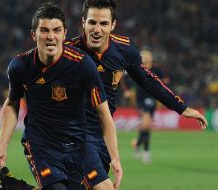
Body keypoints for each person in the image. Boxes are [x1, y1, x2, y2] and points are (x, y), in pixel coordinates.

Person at [65, 0, 208, 189]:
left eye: (103, 23)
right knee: (104, 187)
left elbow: (148, 80)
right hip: (74, 133)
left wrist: (181, 108)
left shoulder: (124, 49)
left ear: (113, 25)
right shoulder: (66, 51)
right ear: (83, 22)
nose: (97, 29)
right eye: (92, 22)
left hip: (104, 136)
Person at [0, 3, 122, 190]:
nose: (51, 36)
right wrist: (2, 147)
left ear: (64, 33)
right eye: (44, 30)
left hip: (78, 145)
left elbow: (103, 113)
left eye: (57, 30)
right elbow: (12, 104)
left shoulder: (83, 66)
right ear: (33, 34)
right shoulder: (20, 66)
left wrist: (115, 158)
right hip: (42, 146)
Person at [130, 50, 168, 164]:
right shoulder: (137, 69)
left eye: (147, 57)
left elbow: (165, 80)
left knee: (147, 126)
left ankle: (137, 144)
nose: (146, 58)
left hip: (153, 100)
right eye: (144, 57)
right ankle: (146, 152)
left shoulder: (156, 70)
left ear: (151, 58)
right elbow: (130, 81)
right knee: (146, 124)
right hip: (141, 100)